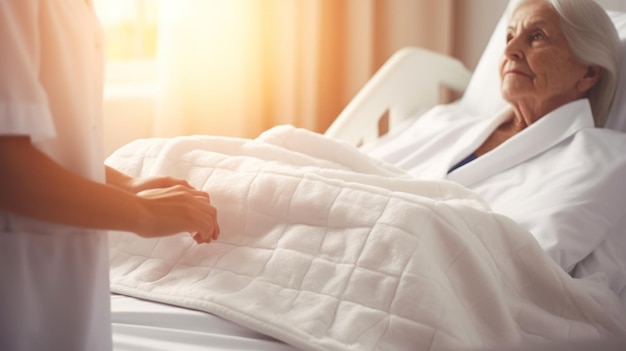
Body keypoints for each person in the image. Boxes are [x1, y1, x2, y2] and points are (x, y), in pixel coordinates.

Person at [364, 0, 626, 303]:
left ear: (589, 73)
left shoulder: (606, 161)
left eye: (537, 36)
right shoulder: (443, 120)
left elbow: (572, 282)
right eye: (509, 36)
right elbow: (344, 173)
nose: (511, 49)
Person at [0, 1, 220, 350]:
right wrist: (144, 214)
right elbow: (9, 168)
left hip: (67, 288)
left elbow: (41, 141)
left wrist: (129, 185)